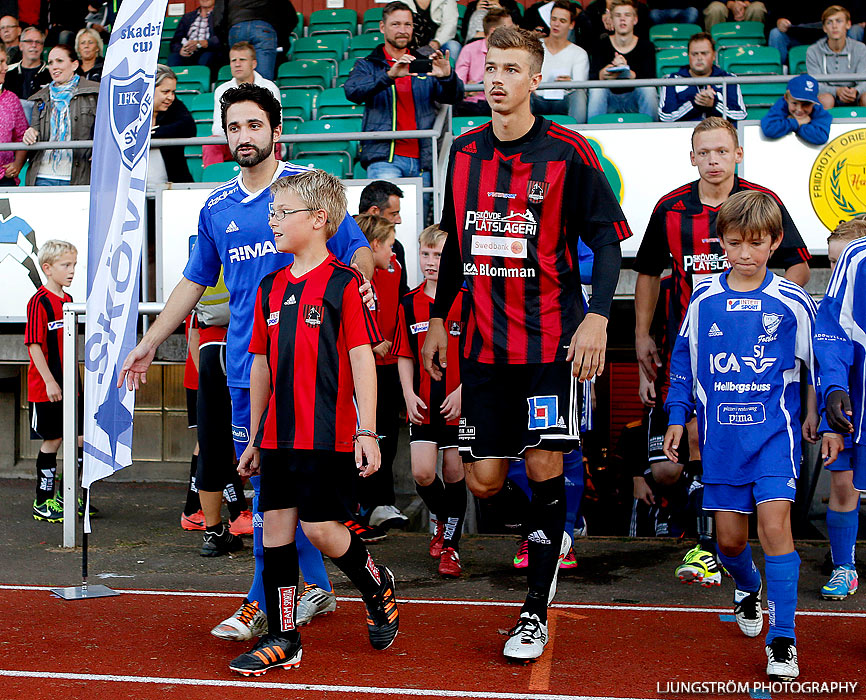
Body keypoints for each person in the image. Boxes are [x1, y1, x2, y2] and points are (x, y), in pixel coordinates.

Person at [119, 84, 374, 643]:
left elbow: (355, 249)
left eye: (254, 126)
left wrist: (362, 288)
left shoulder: (306, 191)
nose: (243, 137)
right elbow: (193, 282)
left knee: (289, 498)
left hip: (310, 374)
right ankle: (309, 589)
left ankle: (262, 600)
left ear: (276, 131)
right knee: (266, 494)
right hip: (247, 370)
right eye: (233, 128)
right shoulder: (217, 207)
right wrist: (150, 339)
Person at [422, 26, 631, 661]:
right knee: (484, 481)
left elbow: (607, 243)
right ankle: (549, 522)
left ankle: (535, 608)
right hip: (485, 348)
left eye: (512, 69)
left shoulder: (571, 153)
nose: (496, 78)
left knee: (544, 465)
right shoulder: (461, 152)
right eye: (490, 66)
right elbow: (458, 245)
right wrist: (437, 318)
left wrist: (597, 319)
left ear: (535, 80)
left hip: (552, 346)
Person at [229, 170, 398, 677]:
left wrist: (366, 430)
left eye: (282, 213)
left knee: (321, 528)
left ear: (319, 220)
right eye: (271, 213)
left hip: (328, 434)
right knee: (276, 529)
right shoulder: (269, 286)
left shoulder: (344, 284)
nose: (272, 221)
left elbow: (363, 359)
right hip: (278, 434)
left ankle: (376, 584)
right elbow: (260, 363)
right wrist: (256, 434)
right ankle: (285, 637)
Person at [633, 117, 811, 583]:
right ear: (692, 157)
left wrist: (763, 314)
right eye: (703, 152)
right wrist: (641, 335)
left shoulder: (762, 203)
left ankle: (715, 548)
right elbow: (648, 273)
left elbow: (797, 266)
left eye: (721, 151)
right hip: (690, 350)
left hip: (756, 361)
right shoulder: (669, 209)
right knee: (681, 449)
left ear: (738, 154)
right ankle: (704, 537)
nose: (713, 160)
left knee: (735, 452)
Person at [663, 190, 818, 682]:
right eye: (735, 244)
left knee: (775, 527)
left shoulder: (792, 302)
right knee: (731, 543)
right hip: (720, 440)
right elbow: (683, 361)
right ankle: (748, 587)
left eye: (756, 243)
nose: (745, 254)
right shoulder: (705, 297)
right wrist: (675, 415)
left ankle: (783, 638)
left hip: (775, 436)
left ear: (774, 243)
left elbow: (816, 366)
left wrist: (821, 418)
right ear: (721, 244)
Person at [394, 223, 467, 577]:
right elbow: (404, 354)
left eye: (438, 255)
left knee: (454, 471)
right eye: (425, 254)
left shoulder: (467, 300)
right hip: (423, 402)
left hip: (457, 403)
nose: (431, 261)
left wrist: (463, 389)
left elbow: (478, 354)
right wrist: (407, 393)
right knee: (423, 473)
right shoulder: (408, 302)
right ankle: (441, 520)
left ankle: (451, 546)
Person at [344, 1, 464, 188]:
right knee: (386, 217)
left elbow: (453, 97)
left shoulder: (425, 61)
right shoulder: (369, 64)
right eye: (395, 24)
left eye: (407, 24)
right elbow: (352, 91)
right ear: (382, 27)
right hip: (384, 159)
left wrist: (447, 77)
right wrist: (389, 75)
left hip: (422, 161)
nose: (402, 30)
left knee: (419, 217)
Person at [816, 217, 866, 601]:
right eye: (831, 263)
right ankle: (844, 566)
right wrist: (828, 401)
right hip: (851, 406)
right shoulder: (848, 276)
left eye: (837, 262)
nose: (835, 271)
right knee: (842, 485)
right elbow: (831, 344)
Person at [352, 213, 409, 535]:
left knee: (386, 438)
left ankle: (381, 503)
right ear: (373, 245)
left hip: (389, 369)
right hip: (363, 371)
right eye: (388, 245)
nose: (394, 253)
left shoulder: (395, 269)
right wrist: (371, 345)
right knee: (363, 436)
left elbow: (398, 310)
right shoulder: (353, 274)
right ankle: (361, 505)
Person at [26, 240, 83, 523]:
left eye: (74, 265)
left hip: (72, 382)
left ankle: (68, 495)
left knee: (81, 438)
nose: (72, 271)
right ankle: (43, 501)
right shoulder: (39, 301)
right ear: (48, 269)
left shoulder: (69, 301)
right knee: (54, 439)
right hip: (48, 386)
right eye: (66, 265)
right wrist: (50, 382)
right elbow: (34, 345)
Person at [22, 45, 99, 187]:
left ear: (74, 64)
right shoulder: (41, 97)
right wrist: (30, 132)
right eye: (50, 63)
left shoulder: (95, 93)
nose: (54, 67)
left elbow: (106, 129)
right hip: (42, 175)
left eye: (59, 61)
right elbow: (35, 129)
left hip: (80, 175)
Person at [204, 42, 281, 169]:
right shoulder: (221, 90)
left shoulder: (270, 88)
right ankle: (214, 181)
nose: (237, 64)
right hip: (231, 141)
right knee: (210, 143)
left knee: (274, 141)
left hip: (261, 140)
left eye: (242, 60)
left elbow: (275, 124)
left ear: (254, 64)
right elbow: (217, 129)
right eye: (233, 60)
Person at [587, 0, 658, 121]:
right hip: (609, 100)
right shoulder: (601, 45)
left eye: (627, 15)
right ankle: (592, 132)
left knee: (648, 89)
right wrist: (602, 74)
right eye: (618, 15)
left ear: (635, 20)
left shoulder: (646, 46)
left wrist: (630, 74)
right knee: (597, 90)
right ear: (612, 20)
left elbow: (651, 77)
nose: (622, 19)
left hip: (634, 100)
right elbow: (592, 76)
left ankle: (652, 129)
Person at [659, 32, 747, 123]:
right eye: (694, 54)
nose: (699, 58)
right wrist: (695, 104)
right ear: (688, 55)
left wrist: (714, 104)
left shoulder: (729, 79)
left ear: (714, 55)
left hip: (719, 134)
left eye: (704, 53)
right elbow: (666, 117)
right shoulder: (671, 80)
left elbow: (740, 115)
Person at [212, 0, 298, 82]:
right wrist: (278, 36)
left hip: (237, 27)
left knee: (240, 76)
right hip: (264, 27)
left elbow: (218, 17)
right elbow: (291, 16)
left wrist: (224, 40)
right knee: (263, 79)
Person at [531, 0, 589, 122]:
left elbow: (580, 85)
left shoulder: (579, 53)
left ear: (571, 25)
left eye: (562, 21)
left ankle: (579, 133)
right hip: (538, 98)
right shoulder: (535, 48)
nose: (556, 24)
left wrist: (570, 84)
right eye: (554, 19)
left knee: (578, 93)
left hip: (564, 99)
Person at [455, 6, 513, 116]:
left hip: (505, 104)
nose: (513, 32)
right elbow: (459, 84)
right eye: (509, 29)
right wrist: (467, 90)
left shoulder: (513, 52)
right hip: (474, 105)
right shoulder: (469, 50)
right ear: (493, 31)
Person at [806, 5, 866, 109]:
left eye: (839, 21)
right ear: (824, 28)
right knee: (826, 99)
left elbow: (864, 80)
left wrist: (856, 91)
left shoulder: (860, 48)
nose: (834, 26)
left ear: (848, 24)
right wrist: (836, 91)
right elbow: (815, 84)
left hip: (855, 95)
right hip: (828, 96)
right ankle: (824, 125)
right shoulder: (813, 51)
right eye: (829, 22)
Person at [770, 2, 865, 64]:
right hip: (795, 36)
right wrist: (779, 20)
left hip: (829, 34)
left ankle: (850, 69)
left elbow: (852, 13)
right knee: (775, 33)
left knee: (856, 30)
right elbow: (771, 16)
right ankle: (779, 74)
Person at [760, 73, 832, 146]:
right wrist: (797, 122)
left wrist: (795, 125)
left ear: (814, 103)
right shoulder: (781, 105)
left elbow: (821, 137)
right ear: (786, 98)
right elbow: (769, 129)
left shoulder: (818, 110)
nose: (799, 109)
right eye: (794, 103)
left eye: (806, 104)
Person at [0, 45, 30, 186]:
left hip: (5, 177)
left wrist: (17, 164)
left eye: (5, 62)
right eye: (0, 62)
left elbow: (22, 136)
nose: (5, 67)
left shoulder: (11, 99)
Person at [168, 0, 222, 73]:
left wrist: (203, 43)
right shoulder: (187, 17)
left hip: (208, 50)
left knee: (207, 57)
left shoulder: (220, 16)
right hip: (188, 51)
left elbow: (222, 38)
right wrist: (180, 50)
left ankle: (202, 82)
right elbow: (175, 42)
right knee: (173, 58)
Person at [5, 27, 50, 99]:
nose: (34, 45)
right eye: (29, 41)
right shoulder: (7, 72)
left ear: (42, 47)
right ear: (20, 46)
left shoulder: (51, 73)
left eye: (38, 42)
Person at [703, 0, 767, 31]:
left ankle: (755, 44)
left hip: (749, 6)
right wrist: (731, 5)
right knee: (715, 8)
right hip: (723, 6)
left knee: (757, 8)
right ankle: (713, 46)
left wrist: (745, 4)